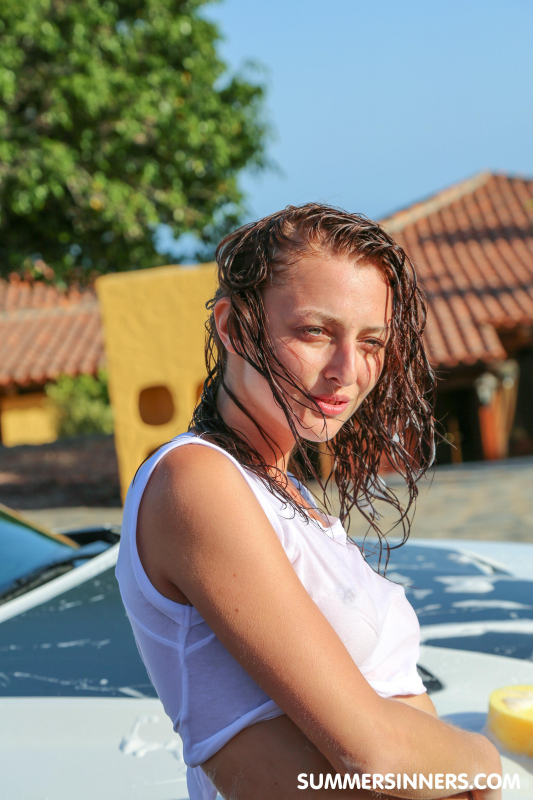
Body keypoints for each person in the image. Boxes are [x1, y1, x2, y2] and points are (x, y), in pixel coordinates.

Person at [115, 204, 502, 800]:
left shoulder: (285, 494)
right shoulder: (196, 481)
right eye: (316, 332)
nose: (347, 372)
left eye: (372, 340)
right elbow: (376, 754)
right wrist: (484, 762)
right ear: (233, 326)